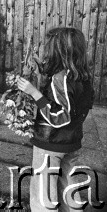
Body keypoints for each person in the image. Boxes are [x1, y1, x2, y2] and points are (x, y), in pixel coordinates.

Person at [16, 27, 94, 212]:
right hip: (70, 141)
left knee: (44, 192)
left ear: (59, 51)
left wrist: (34, 93)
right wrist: (41, 68)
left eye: (49, 47)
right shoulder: (81, 74)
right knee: (69, 185)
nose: (46, 51)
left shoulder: (60, 78)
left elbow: (61, 117)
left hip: (50, 144)